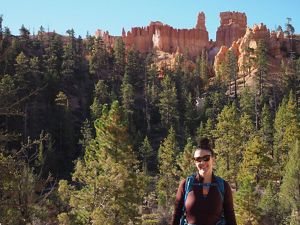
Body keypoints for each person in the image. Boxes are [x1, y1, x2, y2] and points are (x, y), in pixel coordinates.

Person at [171, 138, 237, 225]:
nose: (202, 162)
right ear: (195, 162)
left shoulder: (223, 185)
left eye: (206, 158)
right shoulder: (186, 184)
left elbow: (230, 216)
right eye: (198, 159)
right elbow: (176, 215)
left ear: (213, 159)